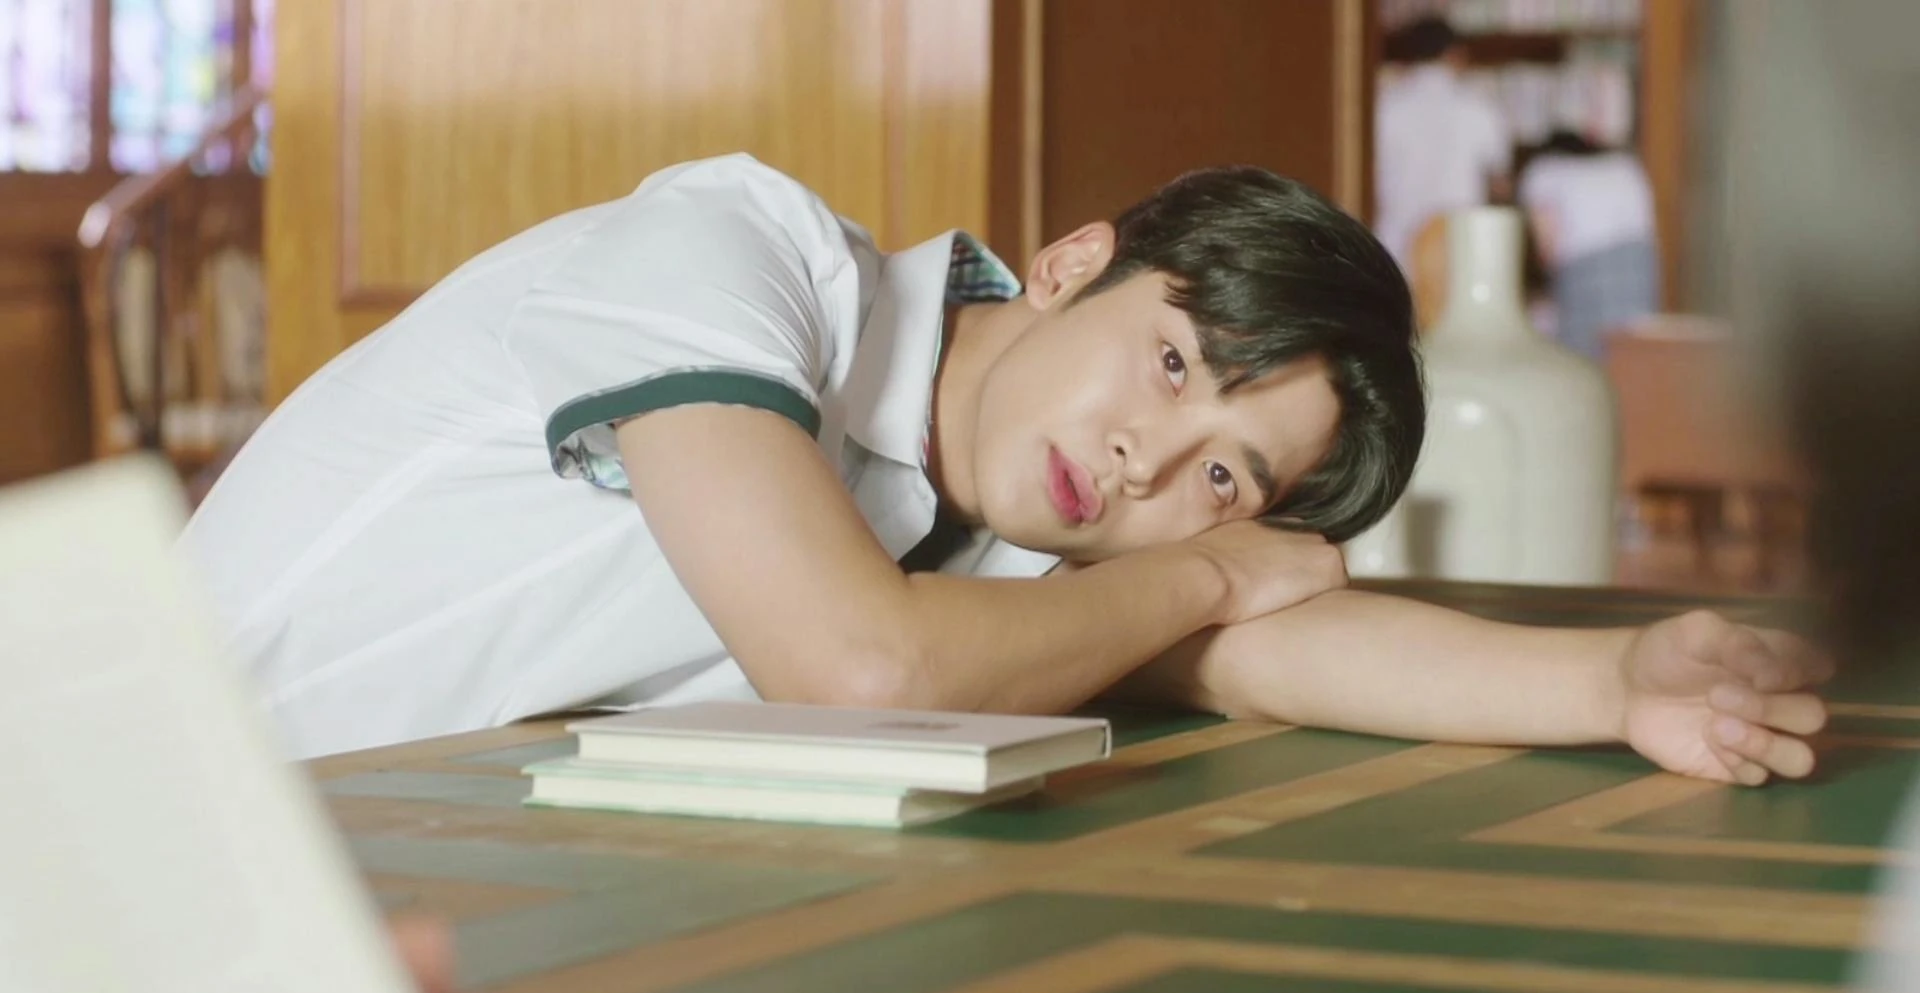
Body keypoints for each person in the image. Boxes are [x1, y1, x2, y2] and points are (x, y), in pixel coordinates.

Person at [182, 152, 1830, 788]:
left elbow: (1283, 650)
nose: (1147, 461)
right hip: (125, 818)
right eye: (1173, 364)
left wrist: (1614, 681)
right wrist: (1210, 559)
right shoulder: (732, 257)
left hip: (373, 881)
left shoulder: (1009, 548)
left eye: (1227, 476)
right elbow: (860, 669)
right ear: (1070, 263)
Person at [1373, 15, 1513, 273]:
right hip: (1460, 246)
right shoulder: (1480, 108)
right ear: (1455, 54)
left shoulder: (1384, 108)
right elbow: (1500, 187)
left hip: (1394, 244)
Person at [1518, 129, 1661, 359]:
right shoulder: (1626, 166)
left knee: (1578, 358)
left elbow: (1547, 245)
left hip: (1584, 271)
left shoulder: (1543, 170)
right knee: (1631, 354)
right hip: (1639, 271)